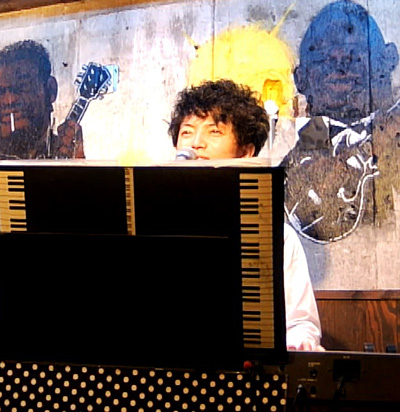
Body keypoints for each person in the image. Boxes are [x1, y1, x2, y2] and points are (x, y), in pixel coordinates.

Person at [168, 79, 323, 351]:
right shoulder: (157, 224)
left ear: (246, 152)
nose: (196, 144)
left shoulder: (277, 236)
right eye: (187, 132)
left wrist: (298, 345)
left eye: (214, 131)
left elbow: (301, 325)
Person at [0, 39, 84, 159]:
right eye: (0, 91)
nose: (9, 100)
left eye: (22, 86)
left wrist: (77, 163)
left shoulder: (65, 149)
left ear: (50, 90)